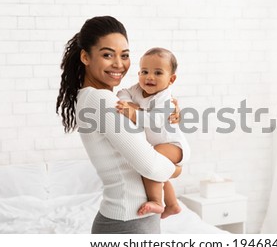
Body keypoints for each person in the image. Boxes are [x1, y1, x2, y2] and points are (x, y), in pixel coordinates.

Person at [55, 16, 181, 234]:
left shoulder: (97, 98)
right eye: (107, 55)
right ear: (85, 57)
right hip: (128, 222)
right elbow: (151, 166)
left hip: (129, 219)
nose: (119, 64)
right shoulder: (101, 101)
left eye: (124, 56)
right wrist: (177, 168)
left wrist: (166, 108)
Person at [116, 47, 190, 219]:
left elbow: (155, 121)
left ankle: (157, 201)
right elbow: (122, 93)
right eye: (144, 71)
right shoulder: (136, 90)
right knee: (159, 172)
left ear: (171, 79)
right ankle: (172, 205)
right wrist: (129, 103)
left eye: (158, 72)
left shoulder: (166, 100)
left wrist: (134, 113)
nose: (149, 77)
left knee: (150, 161)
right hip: (161, 145)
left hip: (174, 145)